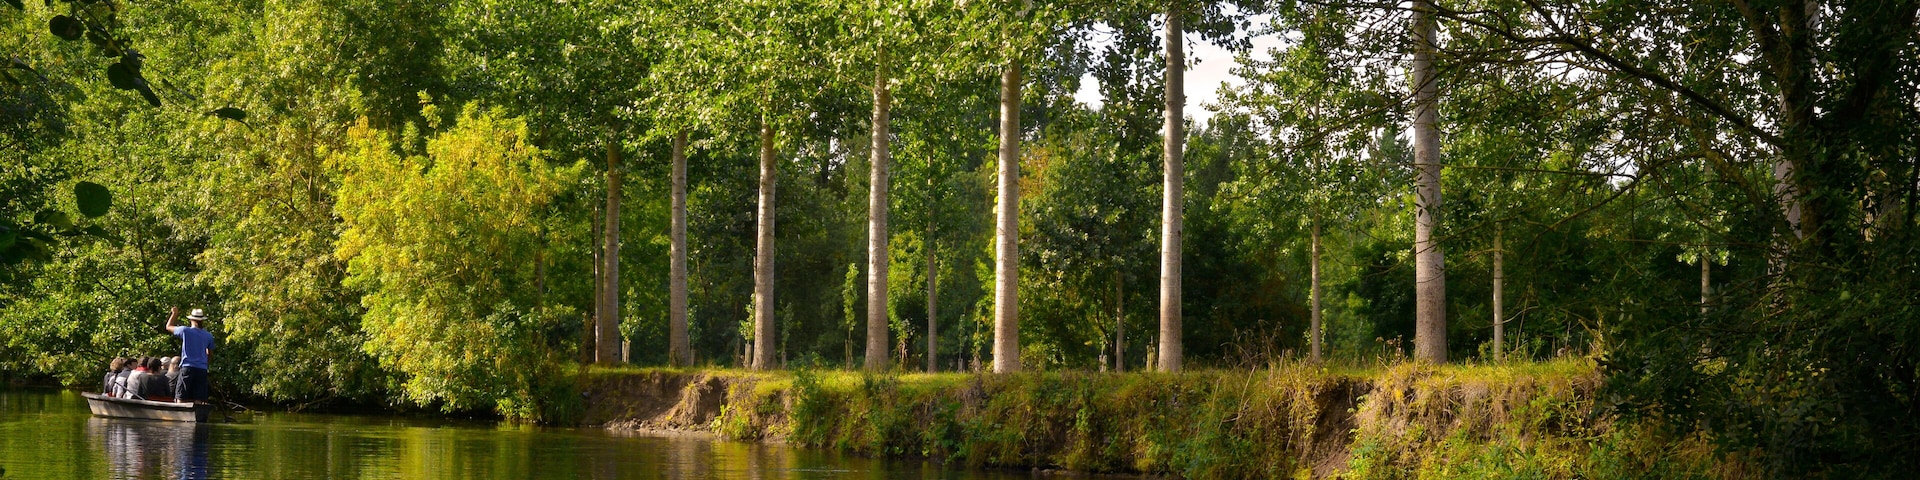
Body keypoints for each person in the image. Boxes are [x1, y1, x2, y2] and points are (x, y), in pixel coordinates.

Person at [162, 307, 215, 403]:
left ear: (191, 319)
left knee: (180, 396)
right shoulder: (208, 336)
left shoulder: (185, 331)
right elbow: (210, 354)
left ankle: (180, 414)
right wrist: (205, 364)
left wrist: (174, 313)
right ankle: (197, 415)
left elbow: (168, 326)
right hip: (202, 369)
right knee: (198, 398)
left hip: (188, 367)